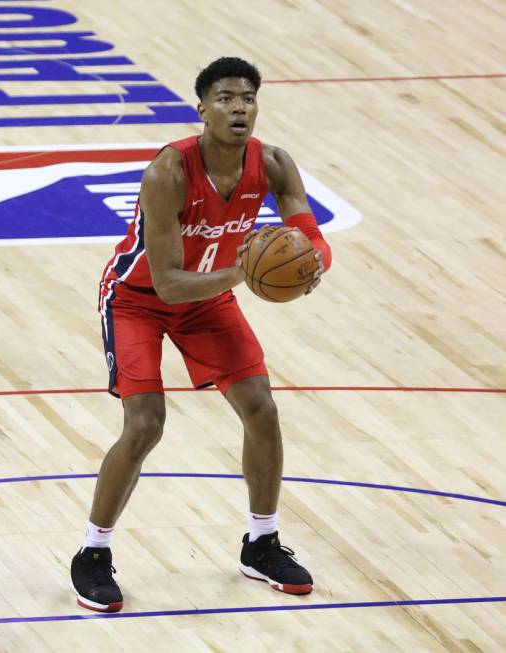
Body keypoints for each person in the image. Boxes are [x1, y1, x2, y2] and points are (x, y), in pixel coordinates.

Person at [70, 56, 332, 612]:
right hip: (139, 300)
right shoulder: (168, 172)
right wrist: (248, 270)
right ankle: (92, 553)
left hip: (209, 297)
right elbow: (166, 284)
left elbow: (308, 232)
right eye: (225, 98)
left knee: (261, 406)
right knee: (145, 423)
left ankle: (261, 542)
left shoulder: (276, 164)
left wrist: (308, 263)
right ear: (202, 109)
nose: (239, 107)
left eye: (247, 98)